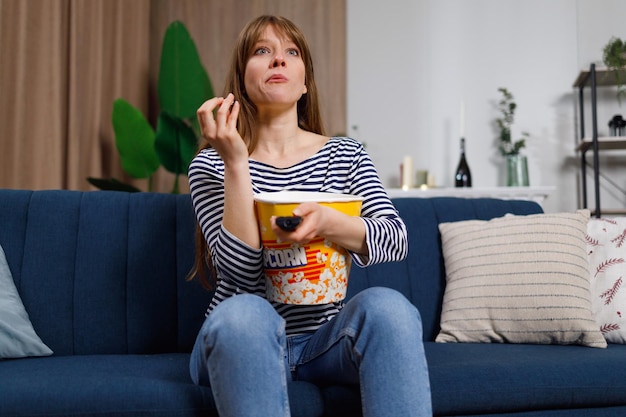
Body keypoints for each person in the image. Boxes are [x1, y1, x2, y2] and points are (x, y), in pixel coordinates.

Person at [187, 14, 432, 417]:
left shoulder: (346, 155)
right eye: (262, 51)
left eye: (291, 52)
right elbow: (241, 274)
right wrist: (236, 164)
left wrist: (330, 222)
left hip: (324, 344)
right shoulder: (212, 165)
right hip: (241, 337)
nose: (277, 60)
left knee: (389, 308)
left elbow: (396, 238)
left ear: (305, 83)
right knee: (245, 316)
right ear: (240, 81)